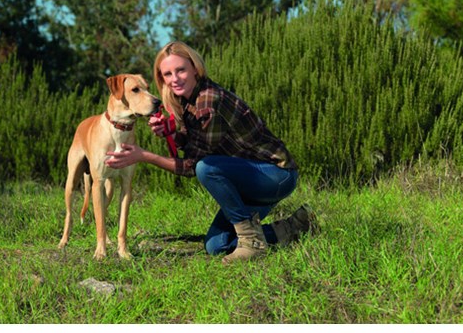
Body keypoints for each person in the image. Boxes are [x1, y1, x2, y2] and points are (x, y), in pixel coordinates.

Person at [105, 40, 315, 264]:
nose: (174, 79)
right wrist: (172, 134)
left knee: (206, 169)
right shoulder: (187, 100)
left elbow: (193, 166)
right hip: (248, 178)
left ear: (195, 68)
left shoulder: (208, 101)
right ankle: (297, 226)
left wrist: (144, 156)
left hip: (275, 175)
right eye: (167, 74)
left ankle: (251, 240)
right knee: (216, 245)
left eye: (181, 70)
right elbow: (197, 144)